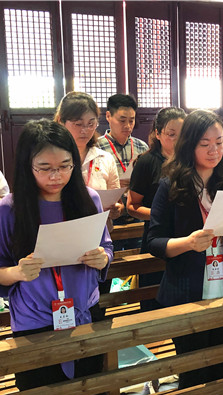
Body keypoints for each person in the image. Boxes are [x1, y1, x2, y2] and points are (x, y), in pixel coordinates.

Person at [0, 119, 113, 395]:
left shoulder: (88, 199)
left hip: (84, 314)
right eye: (44, 168)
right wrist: (17, 272)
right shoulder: (10, 209)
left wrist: (102, 258)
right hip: (35, 322)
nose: (56, 176)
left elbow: (106, 247)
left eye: (65, 166)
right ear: (27, 166)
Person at [147, 109, 223, 395]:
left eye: (219, 142)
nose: (214, 150)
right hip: (187, 292)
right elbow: (153, 241)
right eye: (204, 144)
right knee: (193, 371)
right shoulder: (172, 185)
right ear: (189, 145)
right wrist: (187, 243)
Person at [127, 106, 186, 310]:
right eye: (171, 134)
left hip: (186, 238)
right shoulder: (146, 162)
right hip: (157, 236)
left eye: (182, 134)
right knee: (153, 297)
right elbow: (132, 206)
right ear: (158, 134)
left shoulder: (190, 161)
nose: (177, 140)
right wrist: (161, 215)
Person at [54, 91, 122, 222]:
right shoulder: (51, 159)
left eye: (91, 124)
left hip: (98, 230)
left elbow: (117, 201)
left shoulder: (104, 158)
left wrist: (116, 209)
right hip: (62, 228)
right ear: (61, 121)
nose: (85, 130)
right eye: (78, 124)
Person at [97, 93, 148, 250]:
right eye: (122, 120)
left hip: (138, 214)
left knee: (142, 259)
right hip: (109, 218)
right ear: (108, 116)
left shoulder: (142, 147)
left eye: (131, 120)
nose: (127, 126)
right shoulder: (96, 148)